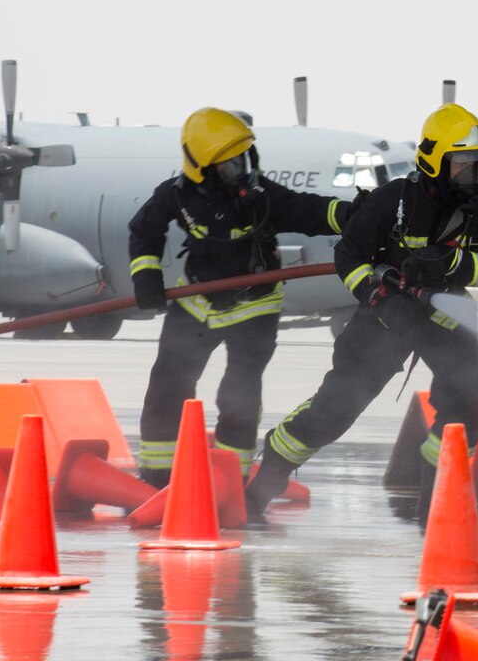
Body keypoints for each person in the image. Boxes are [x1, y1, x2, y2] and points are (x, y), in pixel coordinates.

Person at [245, 102, 478, 521]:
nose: (473, 174)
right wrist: (372, 287)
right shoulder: (393, 201)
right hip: (388, 317)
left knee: (468, 404)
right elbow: (349, 255)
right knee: (337, 408)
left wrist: (451, 267)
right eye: (463, 164)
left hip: (447, 317)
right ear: (434, 161)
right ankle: (268, 477)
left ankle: (441, 500)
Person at [129, 107, 356, 488]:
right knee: (168, 385)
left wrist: (359, 214)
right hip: (196, 303)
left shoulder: (264, 198)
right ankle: (157, 476)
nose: (243, 170)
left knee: (239, 395)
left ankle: (230, 482)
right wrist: (146, 276)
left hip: (255, 305)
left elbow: (312, 211)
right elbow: (144, 229)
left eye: (245, 159)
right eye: (231, 165)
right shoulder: (177, 196)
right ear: (203, 171)